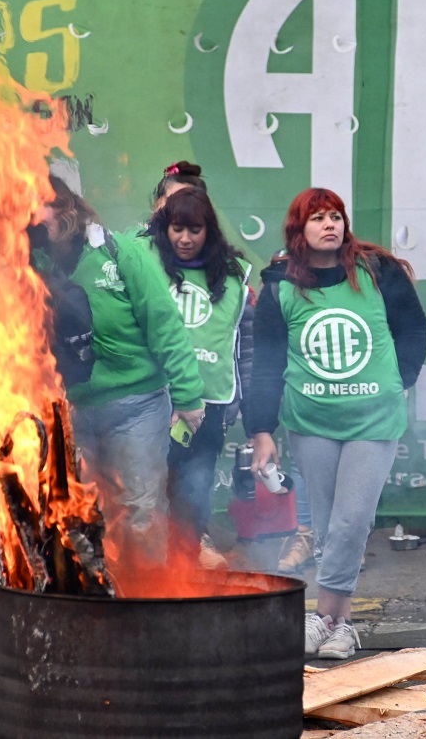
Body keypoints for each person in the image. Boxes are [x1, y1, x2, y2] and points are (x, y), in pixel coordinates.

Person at [244, 187, 426, 660]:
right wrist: (261, 430)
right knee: (326, 526)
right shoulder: (281, 286)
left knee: (351, 520)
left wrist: (396, 382)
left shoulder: (377, 272)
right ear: (298, 230)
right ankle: (341, 623)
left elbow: (414, 330)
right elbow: (264, 362)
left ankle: (322, 614)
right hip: (311, 422)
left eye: (336, 216)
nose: (331, 225)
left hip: (373, 420)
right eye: (318, 218)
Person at [39, 176, 205, 577]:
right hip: (69, 410)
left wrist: (188, 396)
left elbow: (164, 325)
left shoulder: (118, 253)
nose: (37, 218)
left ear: (68, 209)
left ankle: (144, 605)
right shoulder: (32, 262)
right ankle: (95, 606)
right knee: (81, 518)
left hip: (136, 406)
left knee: (140, 513)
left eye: (45, 207)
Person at [142, 186, 253, 568]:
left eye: (194, 229)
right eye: (176, 228)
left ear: (210, 230)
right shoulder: (145, 264)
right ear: (164, 228)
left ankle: (184, 576)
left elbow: (242, 345)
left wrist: (238, 404)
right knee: (144, 497)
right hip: (151, 402)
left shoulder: (235, 277)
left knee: (194, 494)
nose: (185, 239)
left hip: (210, 406)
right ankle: (143, 578)